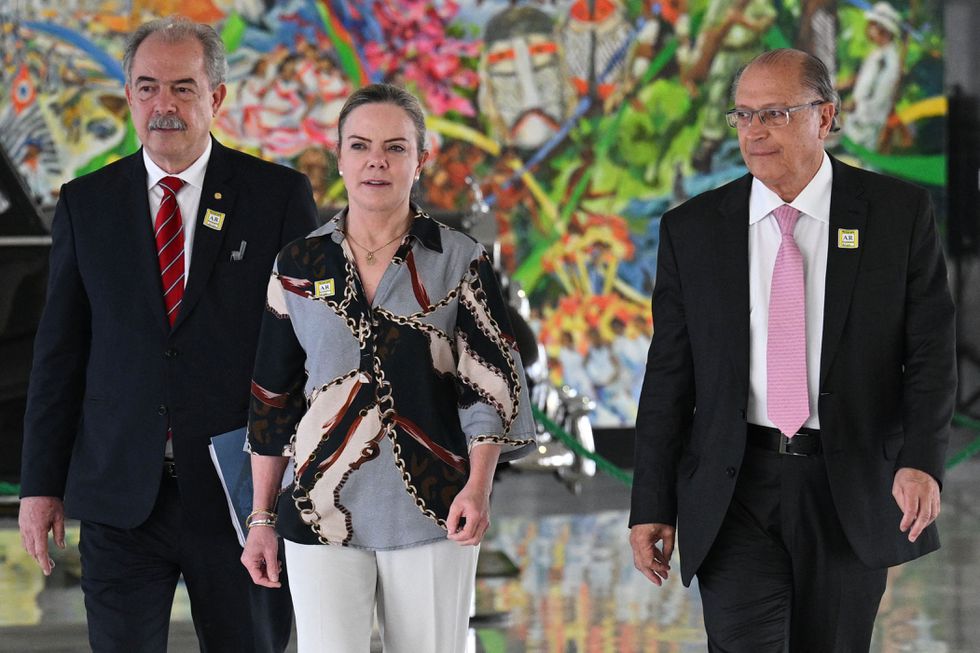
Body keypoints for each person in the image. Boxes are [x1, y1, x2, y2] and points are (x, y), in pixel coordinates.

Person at [629, 48, 955, 651]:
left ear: (824, 117)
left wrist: (921, 460)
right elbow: (669, 374)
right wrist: (650, 502)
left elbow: (932, 353)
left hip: (848, 482)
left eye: (775, 114)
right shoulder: (694, 229)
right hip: (735, 486)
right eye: (744, 116)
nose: (754, 131)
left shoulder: (895, 215)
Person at [18, 16, 318, 652]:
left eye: (183, 88)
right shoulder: (85, 203)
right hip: (121, 497)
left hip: (242, 501)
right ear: (128, 95)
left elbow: (305, 351)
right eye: (148, 87)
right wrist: (40, 486)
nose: (165, 105)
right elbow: (59, 357)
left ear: (217, 97)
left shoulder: (277, 197)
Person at [240, 83, 536, 653]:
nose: (377, 160)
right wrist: (259, 518)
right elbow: (272, 398)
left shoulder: (460, 259)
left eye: (396, 147)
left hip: (436, 509)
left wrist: (479, 488)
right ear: (340, 157)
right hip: (318, 508)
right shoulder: (298, 264)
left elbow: (490, 388)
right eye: (361, 145)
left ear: (420, 160)